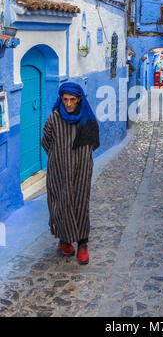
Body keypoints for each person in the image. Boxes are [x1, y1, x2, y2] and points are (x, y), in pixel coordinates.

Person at [41, 82, 100, 265]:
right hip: (59, 169)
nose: (68, 104)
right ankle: (65, 240)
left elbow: (94, 143)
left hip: (82, 169)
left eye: (72, 100)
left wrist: (78, 157)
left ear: (79, 99)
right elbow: (46, 141)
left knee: (80, 201)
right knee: (61, 202)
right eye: (65, 99)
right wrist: (60, 156)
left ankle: (82, 243)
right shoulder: (54, 118)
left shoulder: (87, 119)